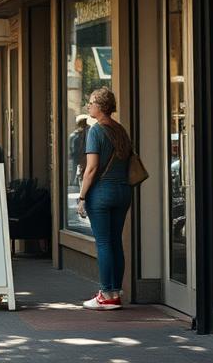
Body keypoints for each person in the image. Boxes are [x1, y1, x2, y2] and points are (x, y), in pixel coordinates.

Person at [76, 87, 132, 310]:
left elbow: (91, 169)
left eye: (91, 102)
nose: (88, 106)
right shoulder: (120, 130)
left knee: (104, 243)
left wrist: (81, 197)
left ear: (101, 106)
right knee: (116, 241)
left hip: (101, 193)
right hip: (123, 192)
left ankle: (106, 295)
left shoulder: (96, 131)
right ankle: (115, 292)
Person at [69, 115, 89, 184]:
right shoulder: (76, 134)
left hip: (83, 153)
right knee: (76, 168)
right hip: (78, 153)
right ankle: (73, 182)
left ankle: (77, 182)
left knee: (82, 168)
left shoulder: (87, 130)